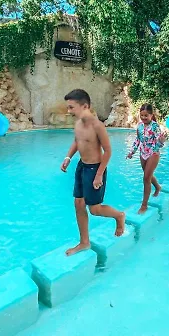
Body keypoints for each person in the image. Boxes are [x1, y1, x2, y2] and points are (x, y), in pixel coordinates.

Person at [60, 89, 125, 256]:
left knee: (94, 210)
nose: (69, 111)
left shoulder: (97, 126)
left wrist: (98, 175)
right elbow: (77, 141)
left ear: (85, 106)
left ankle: (119, 216)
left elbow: (108, 151)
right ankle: (84, 242)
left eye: (71, 107)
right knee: (78, 203)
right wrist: (68, 157)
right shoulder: (78, 124)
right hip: (82, 166)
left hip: (95, 169)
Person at [126, 104, 167, 214]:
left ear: (151, 115)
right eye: (142, 115)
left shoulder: (155, 126)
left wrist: (161, 141)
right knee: (148, 175)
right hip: (142, 153)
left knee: (146, 178)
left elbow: (159, 143)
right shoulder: (139, 126)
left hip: (153, 153)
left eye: (146, 115)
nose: (143, 117)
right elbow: (137, 140)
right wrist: (131, 152)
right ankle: (158, 187)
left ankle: (144, 205)